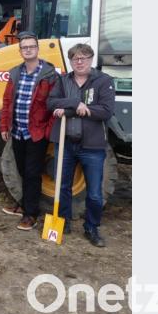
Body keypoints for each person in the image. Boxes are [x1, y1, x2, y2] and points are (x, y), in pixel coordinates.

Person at [48, 43, 115, 247]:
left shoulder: (103, 81)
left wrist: (66, 109)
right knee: (63, 186)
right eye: (75, 58)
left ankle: (91, 227)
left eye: (84, 57)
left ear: (91, 59)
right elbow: (51, 103)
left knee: (94, 193)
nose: (79, 61)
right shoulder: (62, 80)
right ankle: (63, 221)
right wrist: (75, 105)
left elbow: (105, 111)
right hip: (66, 142)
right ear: (70, 61)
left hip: (92, 146)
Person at [0, 31, 59, 231]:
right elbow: (7, 101)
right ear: (20, 50)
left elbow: (54, 105)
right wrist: (4, 125)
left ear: (37, 49)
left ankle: (31, 214)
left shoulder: (49, 75)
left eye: (31, 46)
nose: (28, 50)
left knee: (33, 173)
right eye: (24, 47)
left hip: (36, 133)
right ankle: (24, 203)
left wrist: (47, 131)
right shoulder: (15, 73)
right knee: (23, 170)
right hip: (18, 131)